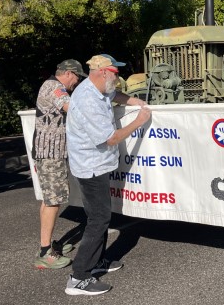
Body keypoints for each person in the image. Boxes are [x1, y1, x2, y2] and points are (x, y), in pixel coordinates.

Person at [64, 54, 152, 296]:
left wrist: (134, 101)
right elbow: (110, 138)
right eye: (115, 73)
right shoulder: (88, 100)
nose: (118, 77)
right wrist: (140, 120)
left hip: (97, 164)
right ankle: (78, 277)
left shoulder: (98, 89)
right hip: (91, 167)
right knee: (99, 219)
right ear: (103, 72)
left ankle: (97, 262)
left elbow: (115, 95)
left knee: (98, 216)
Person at [33, 59, 87, 269]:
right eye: (77, 77)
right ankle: (45, 252)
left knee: (50, 199)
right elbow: (70, 107)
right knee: (53, 200)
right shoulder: (54, 87)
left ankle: (47, 246)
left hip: (51, 152)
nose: (76, 82)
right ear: (69, 73)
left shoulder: (51, 85)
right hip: (50, 154)